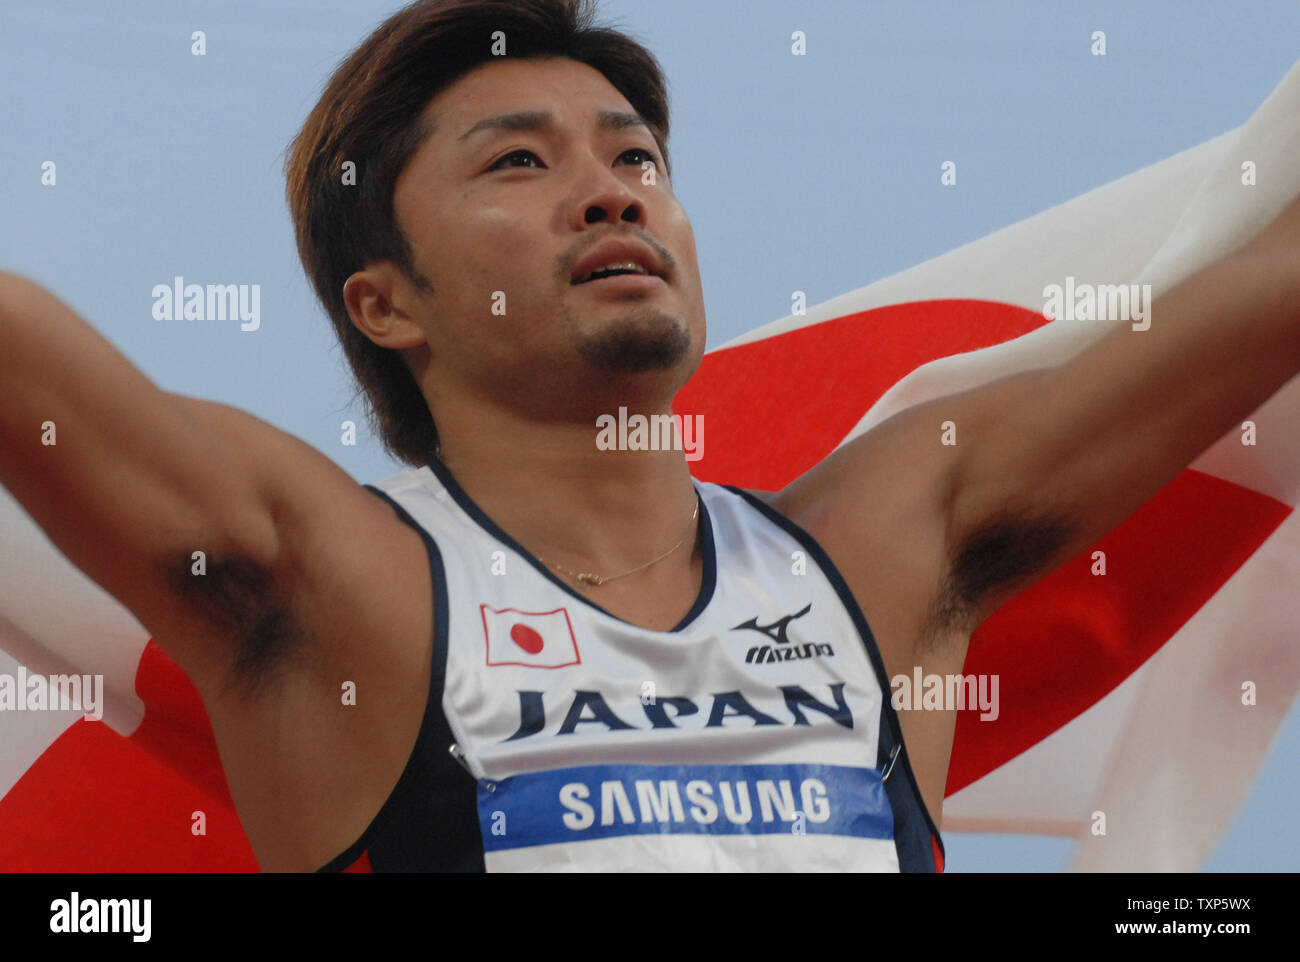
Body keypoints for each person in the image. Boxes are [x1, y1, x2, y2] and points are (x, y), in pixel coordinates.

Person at [1, 0, 1297, 872]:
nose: (611, 186)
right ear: (386, 301)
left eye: (638, 157)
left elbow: (1272, 287)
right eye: (517, 162)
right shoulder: (336, 583)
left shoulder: (890, 538)